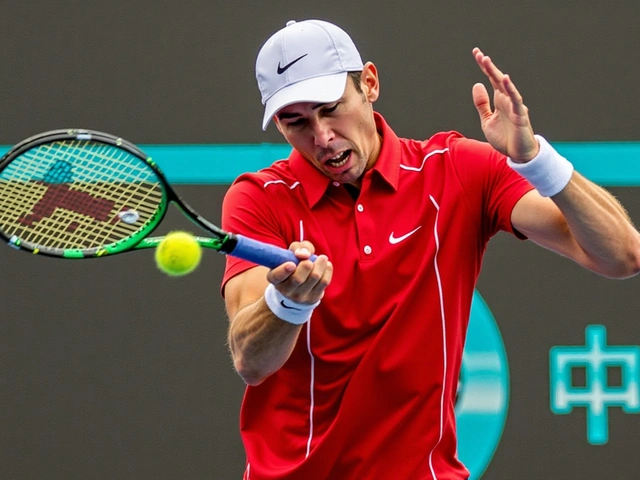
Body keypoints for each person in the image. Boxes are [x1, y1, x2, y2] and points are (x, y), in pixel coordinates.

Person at [220, 19, 640, 480]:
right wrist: (287, 305)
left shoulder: (456, 170)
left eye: (331, 108)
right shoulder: (259, 198)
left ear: (370, 84)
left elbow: (622, 256)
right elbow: (251, 360)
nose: (321, 137)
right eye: (295, 121)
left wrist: (536, 160)